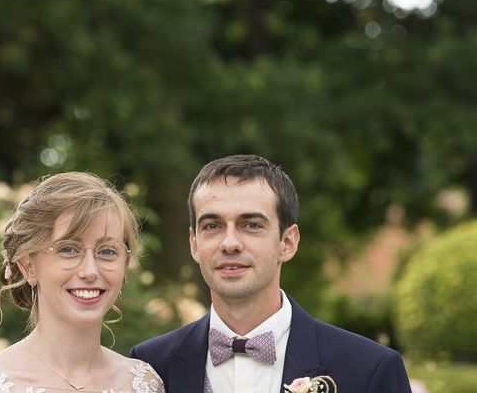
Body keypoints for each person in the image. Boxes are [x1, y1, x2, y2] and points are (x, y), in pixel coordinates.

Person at [129, 154, 412, 393]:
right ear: (194, 244)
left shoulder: (370, 370)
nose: (230, 243)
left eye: (251, 225)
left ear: (287, 243)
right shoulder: (148, 367)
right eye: (212, 226)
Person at [0, 172, 165, 393]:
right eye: (68, 249)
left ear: (125, 265)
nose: (89, 271)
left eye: (107, 251)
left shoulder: (145, 384)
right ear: (28, 265)